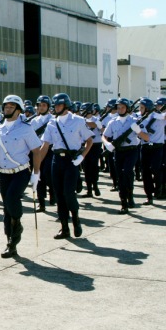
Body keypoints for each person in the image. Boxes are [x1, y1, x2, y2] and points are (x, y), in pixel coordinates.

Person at [0, 96, 42, 258]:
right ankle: (11, 242)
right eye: (6, 107)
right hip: (4, 174)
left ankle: (17, 225)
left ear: (18, 110)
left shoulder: (26, 128)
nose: (7, 110)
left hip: (21, 172)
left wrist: (36, 173)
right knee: (6, 209)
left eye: (11, 107)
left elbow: (36, 151)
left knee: (11, 199)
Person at [39, 93, 93, 238]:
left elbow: (89, 141)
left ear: (66, 106)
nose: (56, 107)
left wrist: (82, 156)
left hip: (71, 160)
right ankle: (64, 227)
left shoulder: (78, 121)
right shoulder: (51, 123)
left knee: (69, 193)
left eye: (59, 105)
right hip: (56, 160)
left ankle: (75, 220)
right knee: (59, 195)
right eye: (55, 105)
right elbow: (45, 146)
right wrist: (36, 167)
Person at [101, 98, 141, 214]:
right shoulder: (113, 122)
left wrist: (138, 131)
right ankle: (124, 203)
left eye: (123, 107)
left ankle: (130, 195)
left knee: (127, 171)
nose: (120, 109)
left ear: (127, 108)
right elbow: (104, 135)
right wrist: (107, 143)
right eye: (118, 107)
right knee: (120, 177)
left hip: (131, 150)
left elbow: (146, 137)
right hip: (118, 151)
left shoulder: (134, 120)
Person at [30, 95, 54, 212]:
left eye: (44, 105)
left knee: (49, 174)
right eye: (39, 105)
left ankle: (53, 193)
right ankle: (41, 202)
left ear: (48, 107)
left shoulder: (53, 120)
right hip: (37, 150)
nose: (41, 107)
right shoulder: (34, 121)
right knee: (38, 175)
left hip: (51, 150)